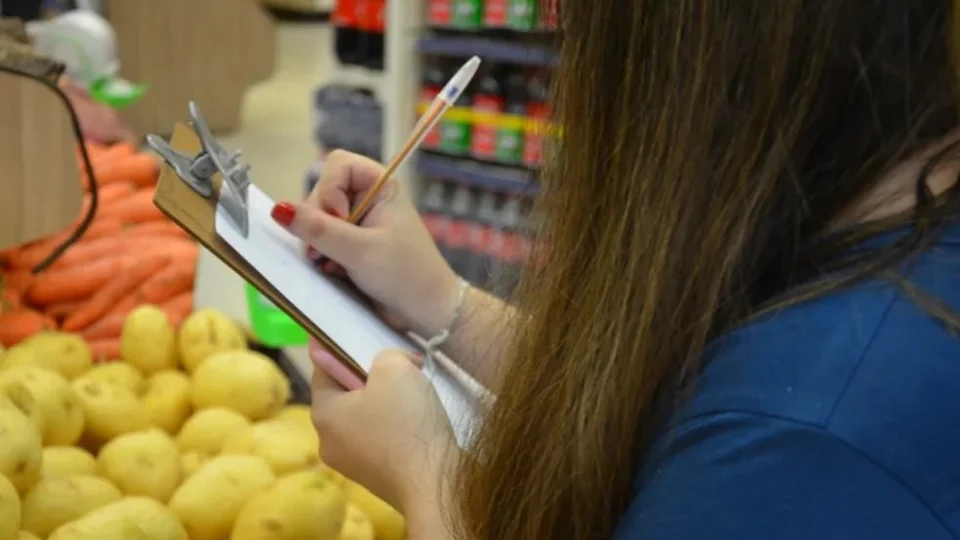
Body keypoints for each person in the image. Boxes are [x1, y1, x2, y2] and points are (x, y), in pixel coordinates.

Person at [269, 2, 960, 539]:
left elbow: (748, 428)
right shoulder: (903, 242)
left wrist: (424, 473)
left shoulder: (797, 446)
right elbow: (681, 407)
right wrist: (443, 302)